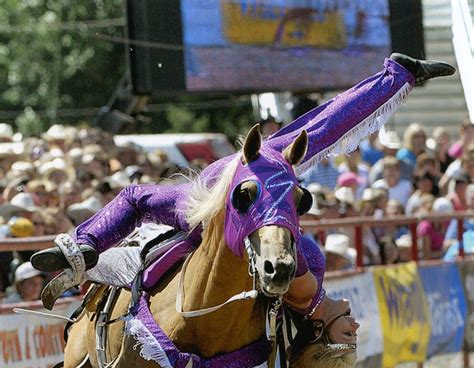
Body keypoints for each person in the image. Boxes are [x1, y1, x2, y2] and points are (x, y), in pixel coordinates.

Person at [32, 53, 455, 341]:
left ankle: (301, 337)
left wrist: (398, 77)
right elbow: (135, 197)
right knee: (308, 256)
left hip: (247, 207)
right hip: (220, 206)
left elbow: (332, 121)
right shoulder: (211, 196)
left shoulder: (274, 157)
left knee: (311, 256)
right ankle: (81, 253)